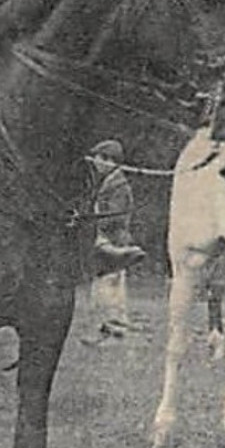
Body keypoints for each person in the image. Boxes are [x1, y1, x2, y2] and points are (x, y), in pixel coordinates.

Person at [85, 139, 138, 341]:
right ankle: (111, 328)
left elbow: (117, 215)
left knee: (109, 286)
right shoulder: (110, 182)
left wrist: (93, 220)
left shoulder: (118, 185)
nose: (96, 164)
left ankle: (111, 329)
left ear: (109, 160)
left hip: (114, 240)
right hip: (108, 239)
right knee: (106, 286)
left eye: (98, 159)